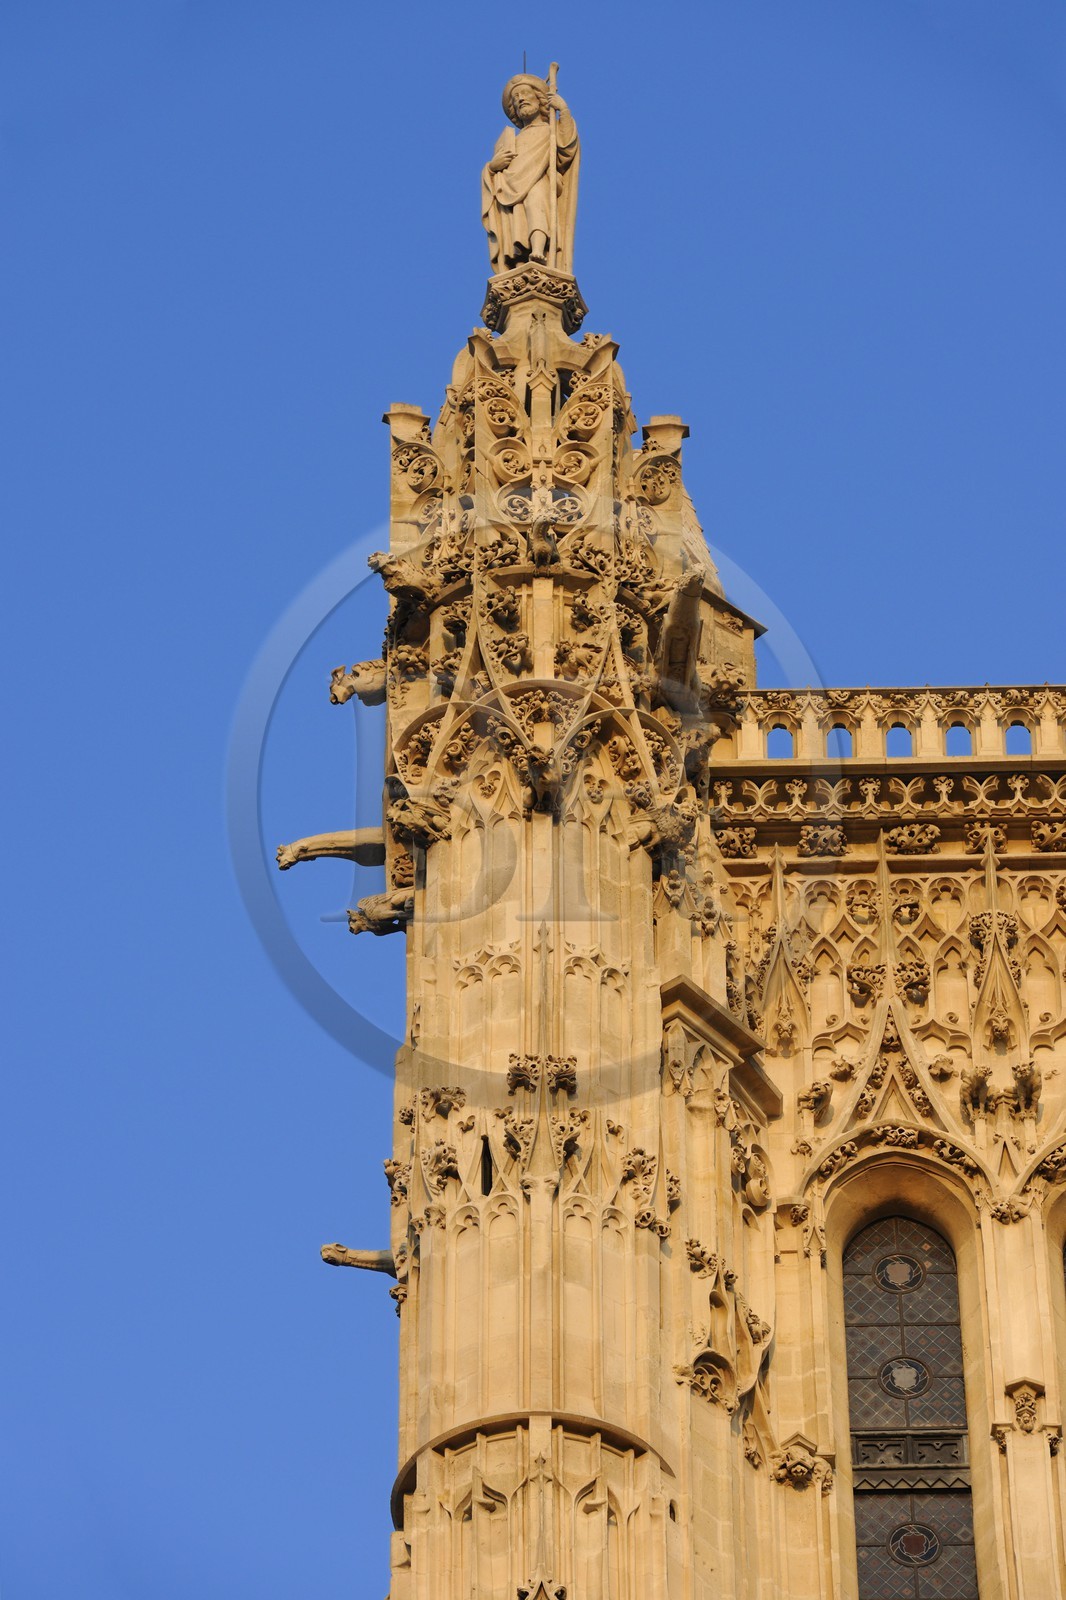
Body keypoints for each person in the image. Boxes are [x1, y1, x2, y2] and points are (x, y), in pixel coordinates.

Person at [481, 74, 580, 275]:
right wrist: (492, 167)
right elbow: (498, 173)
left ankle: (538, 249)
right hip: (511, 192)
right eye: (516, 98)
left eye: (525, 93)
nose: (520, 99)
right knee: (517, 217)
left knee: (536, 197)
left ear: (540, 99)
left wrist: (564, 111)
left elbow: (567, 149)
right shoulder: (510, 142)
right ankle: (518, 257)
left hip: (540, 183)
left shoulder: (549, 131)